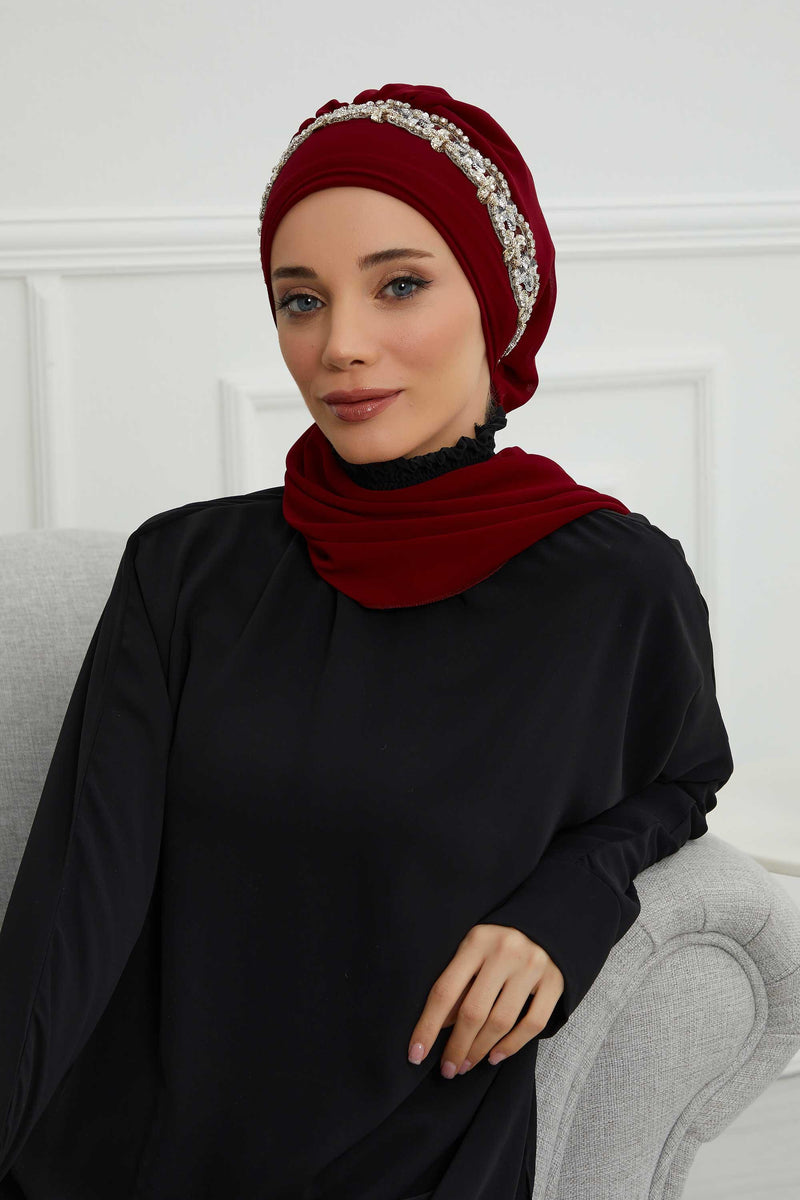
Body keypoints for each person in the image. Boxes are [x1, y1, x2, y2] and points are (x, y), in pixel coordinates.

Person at [0, 82, 733, 1200]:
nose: (339, 346)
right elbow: (74, 907)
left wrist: (568, 903)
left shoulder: (613, 587)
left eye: (398, 285)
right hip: (136, 1154)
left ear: (494, 303)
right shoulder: (185, 571)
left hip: (412, 1155)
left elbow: (680, 780)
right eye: (300, 300)